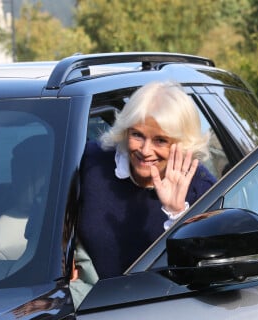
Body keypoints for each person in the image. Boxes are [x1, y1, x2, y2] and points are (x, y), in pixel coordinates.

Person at [72, 82, 217, 302]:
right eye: (137, 135)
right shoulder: (91, 162)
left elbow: (206, 280)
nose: (145, 151)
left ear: (183, 143)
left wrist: (176, 213)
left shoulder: (202, 189)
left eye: (160, 140)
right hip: (91, 307)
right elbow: (48, 218)